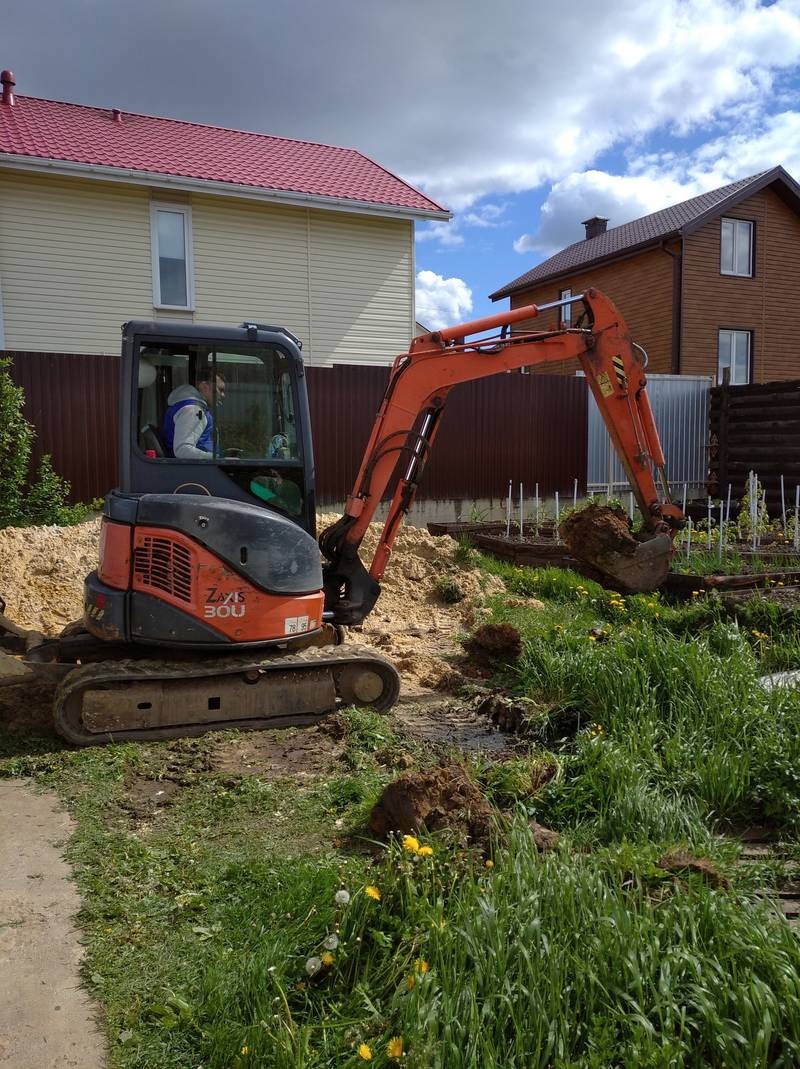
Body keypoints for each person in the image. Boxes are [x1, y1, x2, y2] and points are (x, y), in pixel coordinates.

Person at [162, 370, 225, 458]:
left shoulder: (192, 408)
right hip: (195, 466)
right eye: (220, 390)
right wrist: (217, 459)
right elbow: (182, 450)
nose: (223, 395)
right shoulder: (193, 410)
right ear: (204, 387)